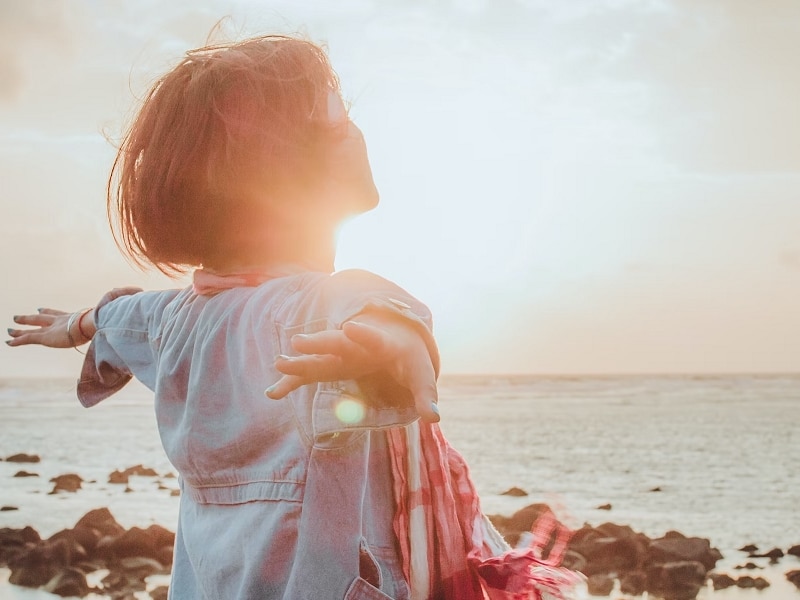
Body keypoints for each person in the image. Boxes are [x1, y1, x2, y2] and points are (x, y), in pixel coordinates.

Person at [7, 35, 580, 600]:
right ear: (277, 166)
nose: (355, 129)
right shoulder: (319, 306)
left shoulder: (174, 318)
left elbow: (120, 318)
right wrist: (385, 345)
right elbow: (379, 313)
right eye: (336, 118)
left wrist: (80, 323)